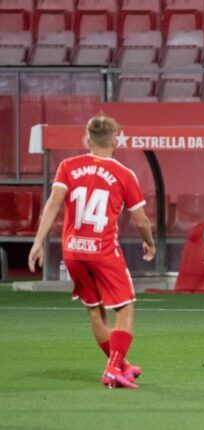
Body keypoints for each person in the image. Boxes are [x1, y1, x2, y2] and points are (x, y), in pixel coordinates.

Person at [28, 115, 156, 389]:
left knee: (96, 311)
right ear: (115, 140)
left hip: (73, 250)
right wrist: (149, 241)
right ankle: (113, 369)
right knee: (125, 308)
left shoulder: (68, 166)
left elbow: (53, 204)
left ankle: (121, 365)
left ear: (88, 139)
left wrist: (38, 241)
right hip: (103, 249)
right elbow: (141, 220)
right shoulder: (123, 173)